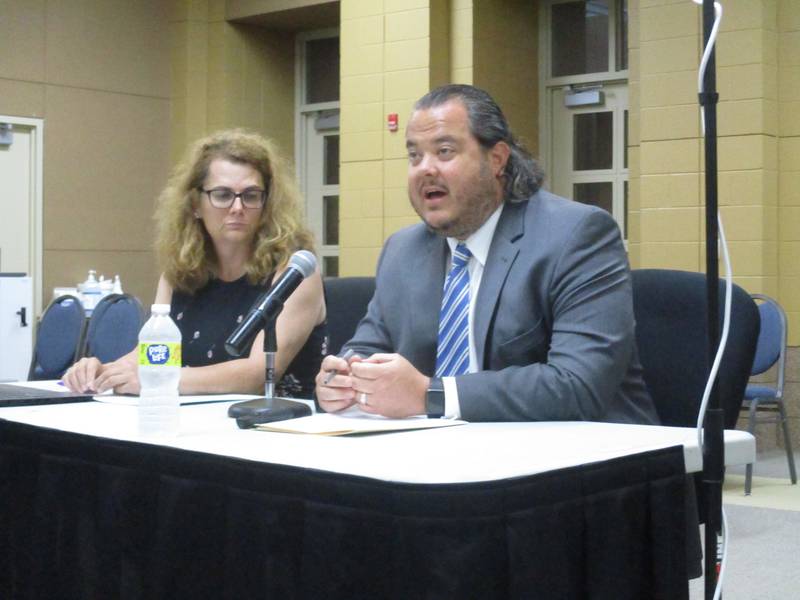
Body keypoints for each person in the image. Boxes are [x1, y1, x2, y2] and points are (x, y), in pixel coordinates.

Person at [315, 84, 659, 424]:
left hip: (588, 460)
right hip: (444, 456)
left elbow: (578, 384)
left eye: (445, 151)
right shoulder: (402, 251)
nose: (425, 169)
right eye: (414, 156)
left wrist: (430, 395)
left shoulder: (576, 235)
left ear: (497, 159)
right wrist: (344, 377)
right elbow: (367, 346)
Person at [64, 129, 327, 397]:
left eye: (250, 195)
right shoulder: (179, 271)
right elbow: (155, 352)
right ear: (195, 205)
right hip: (195, 423)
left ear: (267, 203)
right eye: (223, 195)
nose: (237, 208)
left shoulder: (295, 271)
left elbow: (258, 374)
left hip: (279, 428)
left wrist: (156, 380)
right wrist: (104, 373)